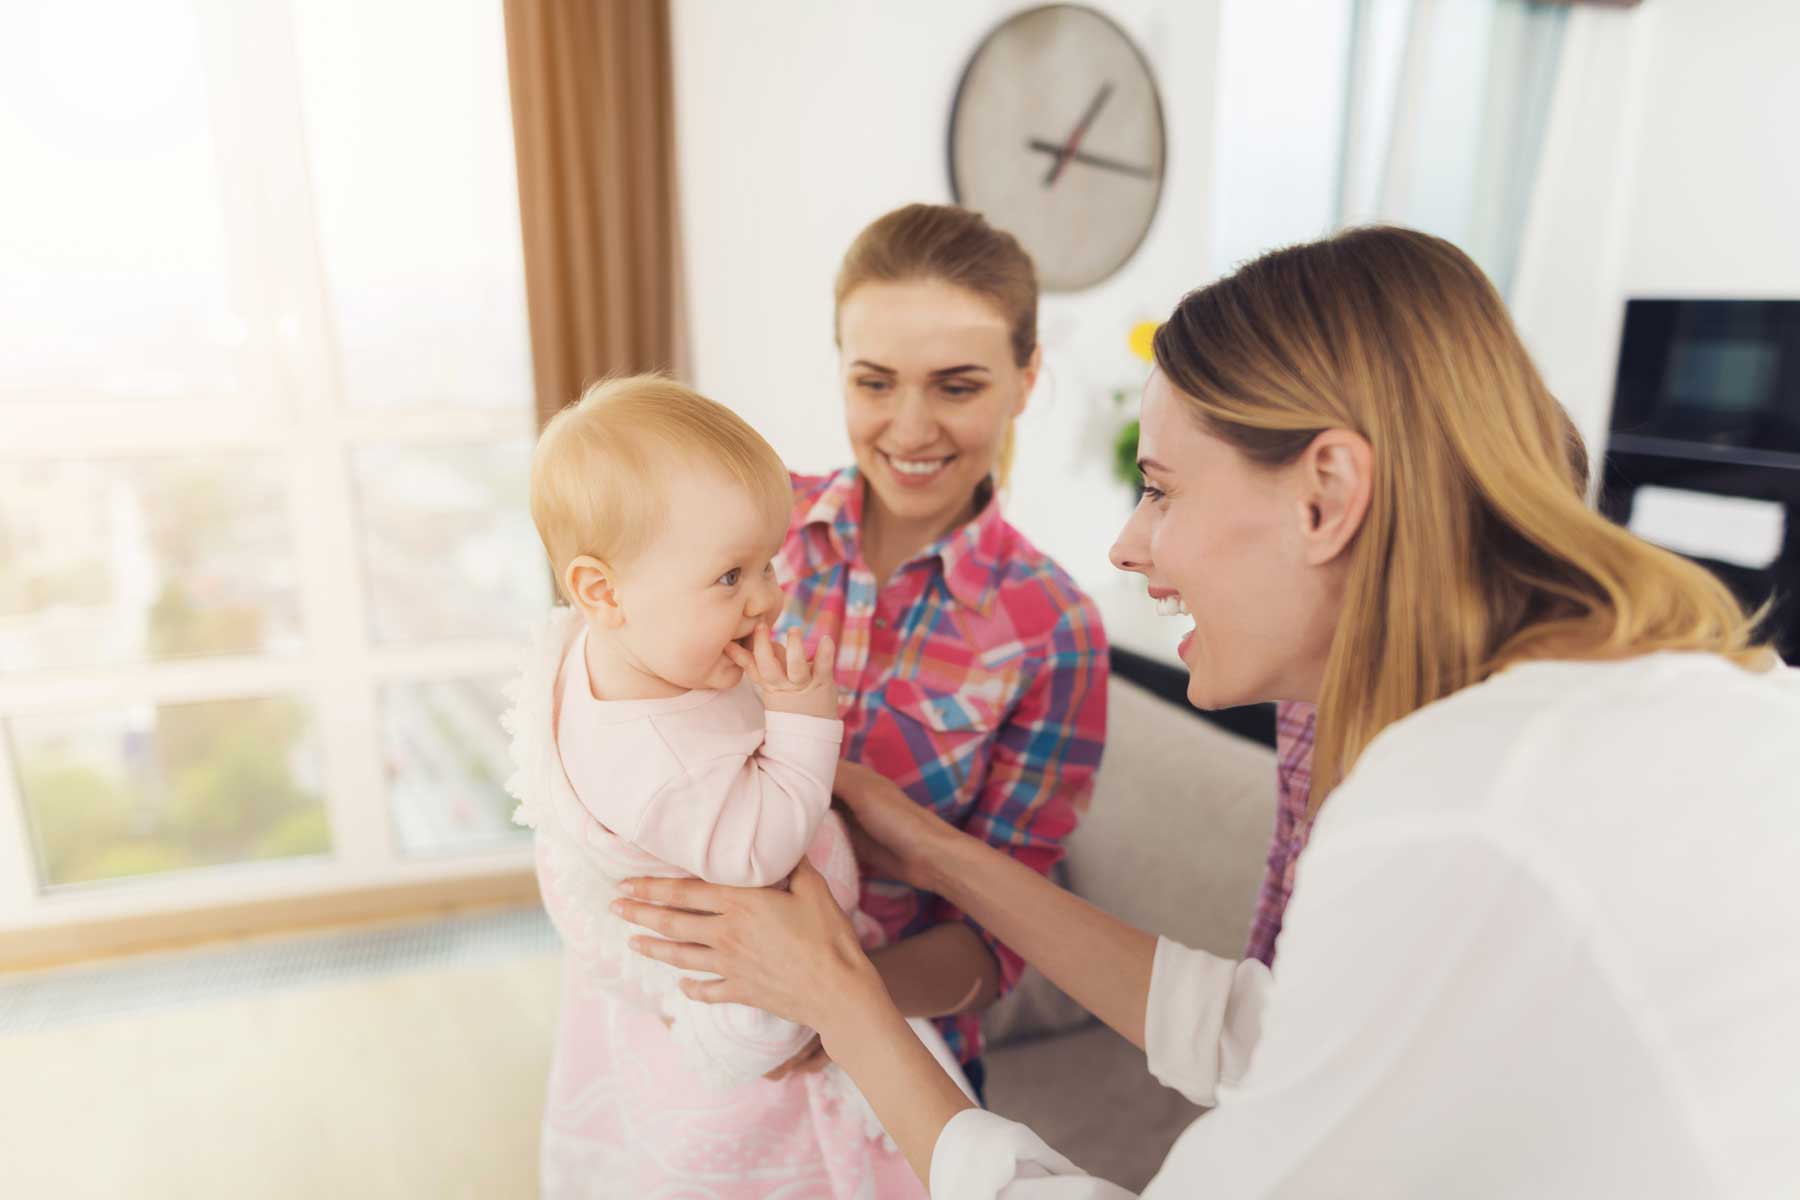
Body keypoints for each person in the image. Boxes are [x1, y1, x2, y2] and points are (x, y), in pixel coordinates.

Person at [612, 227, 1800, 1196]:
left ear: (1328, 493)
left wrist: (839, 995)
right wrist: (924, 846)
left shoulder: (1448, 810)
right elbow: (1265, 1032)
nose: (1129, 545)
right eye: (873, 376)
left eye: (1163, 490)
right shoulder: (1637, 718)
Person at [507, 375, 959, 1198]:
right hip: (746, 985)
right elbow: (758, 850)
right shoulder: (653, 759)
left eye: (767, 564)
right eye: (729, 578)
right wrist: (804, 720)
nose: (767, 599)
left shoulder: (627, 650)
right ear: (601, 592)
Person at [764, 203, 1110, 1100]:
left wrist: (821, 1008)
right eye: (875, 383)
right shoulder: (749, 530)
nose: (910, 430)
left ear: (1027, 380)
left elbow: (1009, 933)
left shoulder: (1053, 629)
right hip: (698, 1029)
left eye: (957, 387)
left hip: (902, 1069)